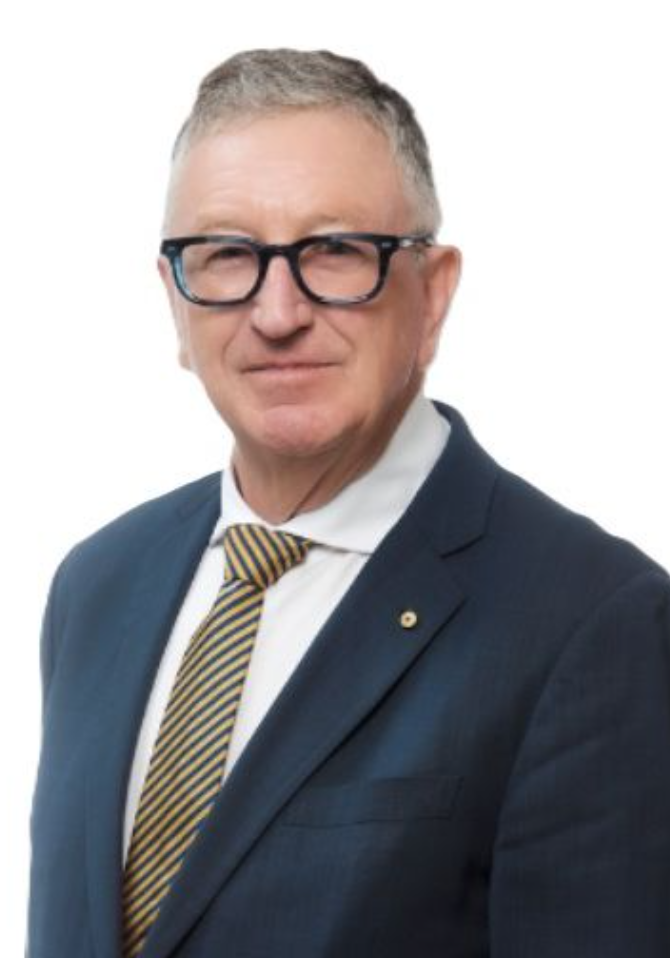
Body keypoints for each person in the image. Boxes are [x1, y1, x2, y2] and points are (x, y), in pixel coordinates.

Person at [27, 48, 670, 958]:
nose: (278, 313)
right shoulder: (97, 584)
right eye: (226, 255)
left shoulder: (593, 622)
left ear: (433, 296)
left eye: (333, 251)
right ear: (175, 303)